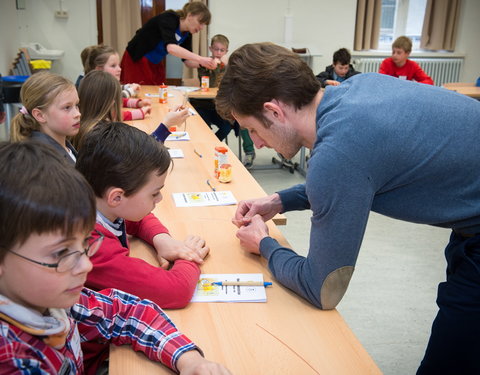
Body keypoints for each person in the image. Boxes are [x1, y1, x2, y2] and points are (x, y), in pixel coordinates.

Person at [216, 42, 480, 374]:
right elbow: (355, 174)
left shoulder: (338, 154)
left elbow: (323, 288)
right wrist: (278, 201)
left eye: (252, 130)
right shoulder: (351, 91)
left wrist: (265, 245)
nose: (259, 143)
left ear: (274, 111)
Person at [0, 141, 231, 375]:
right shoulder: (12, 360)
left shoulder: (49, 299)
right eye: (61, 253)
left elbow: (124, 311)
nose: (86, 264)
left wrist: (190, 360)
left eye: (85, 245)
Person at [75, 122, 210, 308]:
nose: (160, 198)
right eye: (154, 193)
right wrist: (188, 255)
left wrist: (162, 240)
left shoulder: (91, 201)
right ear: (116, 197)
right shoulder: (91, 246)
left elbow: (136, 220)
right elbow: (176, 290)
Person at [73, 70, 188, 149]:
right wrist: (167, 124)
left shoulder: (83, 128)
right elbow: (147, 154)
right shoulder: (103, 135)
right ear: (112, 103)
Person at [190, 34, 256, 167]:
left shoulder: (230, 65)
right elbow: (191, 64)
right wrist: (210, 63)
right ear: (210, 49)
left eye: (222, 50)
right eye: (216, 49)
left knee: (231, 123)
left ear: (226, 51)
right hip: (202, 105)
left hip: (219, 107)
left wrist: (228, 64)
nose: (218, 53)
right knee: (204, 127)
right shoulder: (204, 63)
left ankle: (214, 146)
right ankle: (208, 148)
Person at [121, 2, 217, 85]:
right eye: (200, 22)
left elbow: (187, 61)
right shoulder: (169, 18)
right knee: (139, 92)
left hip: (155, 63)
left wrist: (204, 64)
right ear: (190, 15)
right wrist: (201, 59)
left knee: (157, 93)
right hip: (137, 58)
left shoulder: (187, 34)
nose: (201, 28)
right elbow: (171, 48)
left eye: (204, 25)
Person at [10, 71, 79, 165]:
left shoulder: (65, 147)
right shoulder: (43, 161)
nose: (78, 114)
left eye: (77, 105)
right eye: (67, 107)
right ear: (40, 115)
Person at [78, 44, 153, 122]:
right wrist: (140, 112)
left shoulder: (106, 85)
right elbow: (113, 116)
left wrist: (138, 103)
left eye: (119, 65)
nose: (119, 69)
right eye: (113, 66)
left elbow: (118, 100)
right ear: (99, 69)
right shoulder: (98, 90)